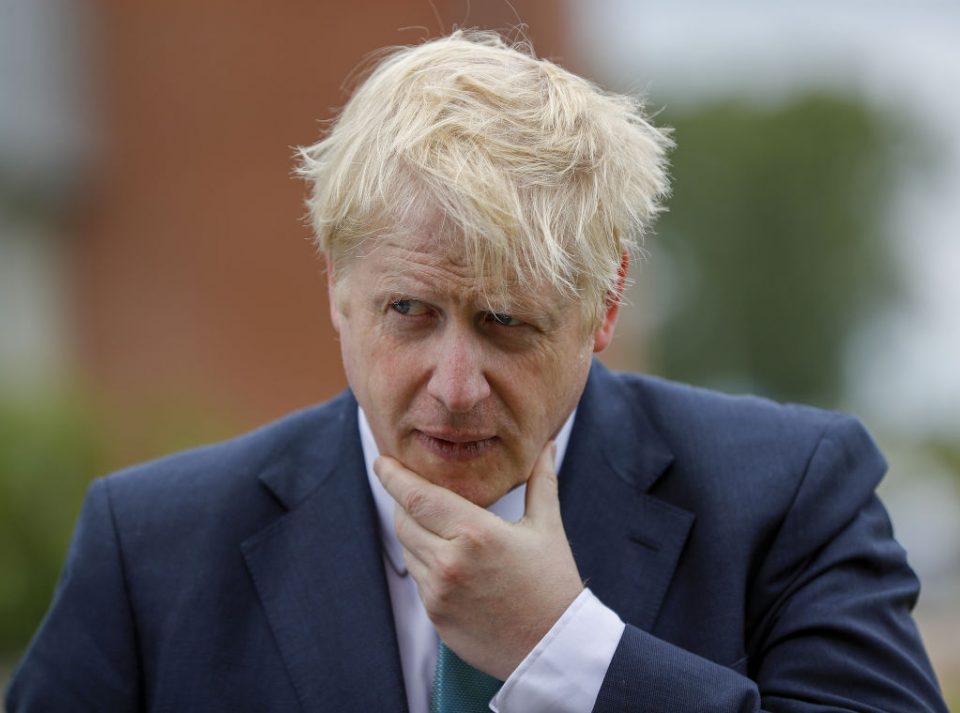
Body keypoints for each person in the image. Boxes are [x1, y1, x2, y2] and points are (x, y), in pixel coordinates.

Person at [5, 30, 947, 713]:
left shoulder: (790, 497)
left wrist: (564, 648)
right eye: (409, 312)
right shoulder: (150, 549)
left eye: (505, 324)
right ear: (337, 286)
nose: (455, 386)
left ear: (607, 303)